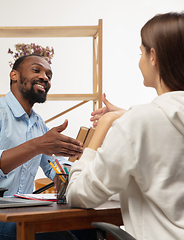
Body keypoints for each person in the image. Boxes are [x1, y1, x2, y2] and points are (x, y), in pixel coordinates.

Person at [66, 12, 184, 239]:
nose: (139, 61)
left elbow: (79, 194)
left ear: (154, 57)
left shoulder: (139, 122)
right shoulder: (141, 119)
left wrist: (106, 125)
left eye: (141, 52)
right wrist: (128, 116)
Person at [0, 53, 86, 240]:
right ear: (14, 75)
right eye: (36, 70)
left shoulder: (38, 123)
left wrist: (80, 173)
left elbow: (56, 165)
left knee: (89, 228)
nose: (44, 77)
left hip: (20, 213)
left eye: (49, 75)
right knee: (57, 237)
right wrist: (36, 146)